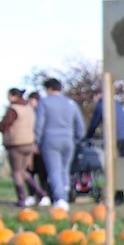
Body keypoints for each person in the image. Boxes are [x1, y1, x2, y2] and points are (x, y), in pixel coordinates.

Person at [34, 78, 85, 211]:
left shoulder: (44, 102)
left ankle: (60, 198)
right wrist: (76, 139)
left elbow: (39, 124)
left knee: (54, 170)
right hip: (68, 140)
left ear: (49, 89)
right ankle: (66, 194)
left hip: (50, 140)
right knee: (65, 169)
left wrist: (36, 142)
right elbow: (80, 126)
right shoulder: (71, 103)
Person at [0, 88, 48, 207]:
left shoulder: (13, 109)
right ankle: (41, 193)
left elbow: (4, 125)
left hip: (16, 144)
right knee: (23, 171)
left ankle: (22, 198)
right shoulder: (29, 109)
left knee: (16, 172)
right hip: (29, 143)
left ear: (13, 96)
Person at [85, 89, 124, 204]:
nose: (94, 100)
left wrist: (87, 137)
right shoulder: (116, 104)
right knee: (120, 166)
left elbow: (94, 124)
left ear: (99, 94)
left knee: (110, 167)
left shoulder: (102, 105)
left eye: (94, 97)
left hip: (113, 138)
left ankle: (114, 195)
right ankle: (120, 194)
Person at [25, 92, 51, 206]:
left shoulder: (42, 114)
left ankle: (44, 195)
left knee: (42, 173)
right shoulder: (28, 114)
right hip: (30, 147)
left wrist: (38, 144)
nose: (31, 104)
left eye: (33, 101)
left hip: (40, 148)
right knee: (29, 171)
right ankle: (31, 194)